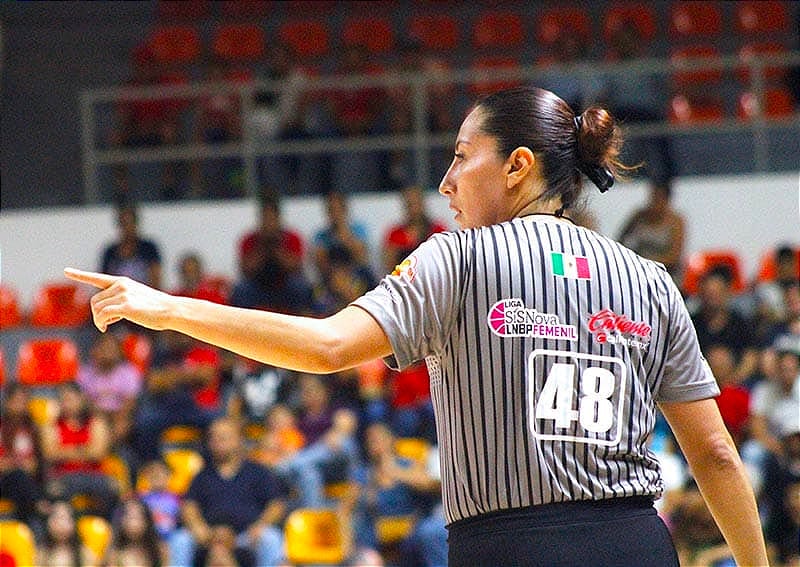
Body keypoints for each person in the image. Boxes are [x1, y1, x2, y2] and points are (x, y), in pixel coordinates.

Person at [66, 86, 768, 565]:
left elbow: (328, 345)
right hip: (637, 543)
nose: (446, 181)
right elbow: (715, 456)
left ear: (518, 166)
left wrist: (162, 307)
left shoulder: (457, 256)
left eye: (462, 155)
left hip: (508, 547)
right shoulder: (647, 278)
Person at [168, 417, 287, 567]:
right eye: (213, 437)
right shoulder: (202, 475)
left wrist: (261, 525)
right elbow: (188, 505)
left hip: (246, 537)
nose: (216, 442)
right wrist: (198, 527)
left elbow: (276, 504)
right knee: (181, 540)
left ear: (238, 440)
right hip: (209, 536)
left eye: (223, 437)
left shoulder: (258, 472)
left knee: (271, 538)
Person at [618, 179, 686, 281]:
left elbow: (674, 256)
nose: (654, 202)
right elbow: (620, 239)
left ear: (666, 200)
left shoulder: (676, 222)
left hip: (665, 273)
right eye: (653, 197)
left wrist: (647, 262)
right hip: (637, 270)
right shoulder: (638, 216)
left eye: (659, 198)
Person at [100, 203, 163, 290]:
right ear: (119, 226)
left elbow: (156, 278)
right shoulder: (110, 252)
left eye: (130, 223)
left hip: (144, 296)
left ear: (136, 224)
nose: (127, 228)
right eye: (124, 224)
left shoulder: (149, 248)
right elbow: (102, 281)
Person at [109, 497, 165, 567]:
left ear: (147, 521)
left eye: (137, 517)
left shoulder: (160, 550)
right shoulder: (114, 552)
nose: (133, 523)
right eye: (129, 517)